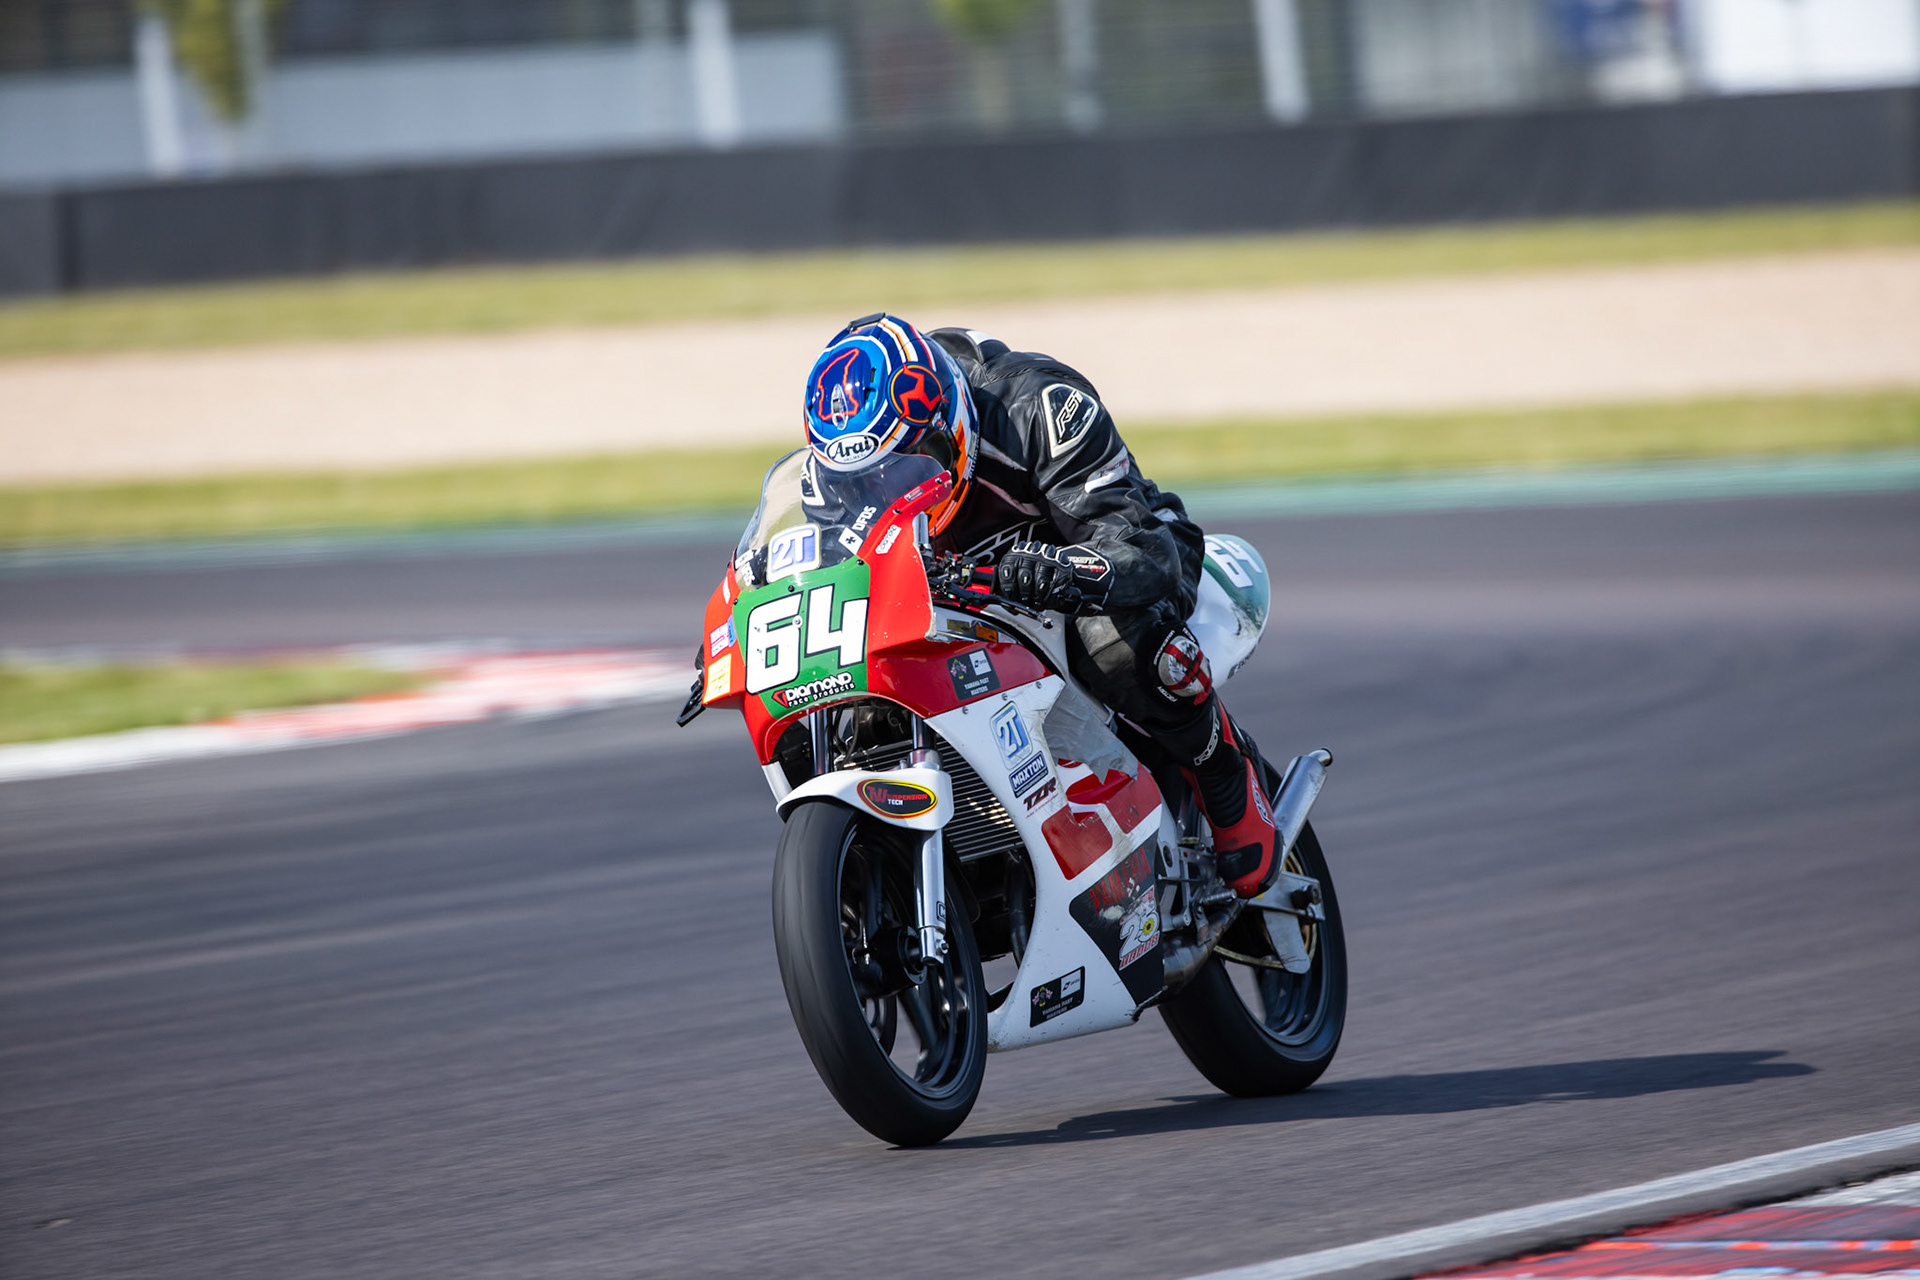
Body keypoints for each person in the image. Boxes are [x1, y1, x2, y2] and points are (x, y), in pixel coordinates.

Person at [802, 313, 1278, 898]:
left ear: (950, 423)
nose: (893, 487)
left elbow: (1142, 549)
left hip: (1115, 558)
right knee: (847, 699)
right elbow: (821, 578)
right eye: (870, 480)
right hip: (965, 606)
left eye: (915, 460)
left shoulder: (1039, 406)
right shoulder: (833, 480)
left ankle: (1220, 763)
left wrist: (1057, 567)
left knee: (1109, 641)